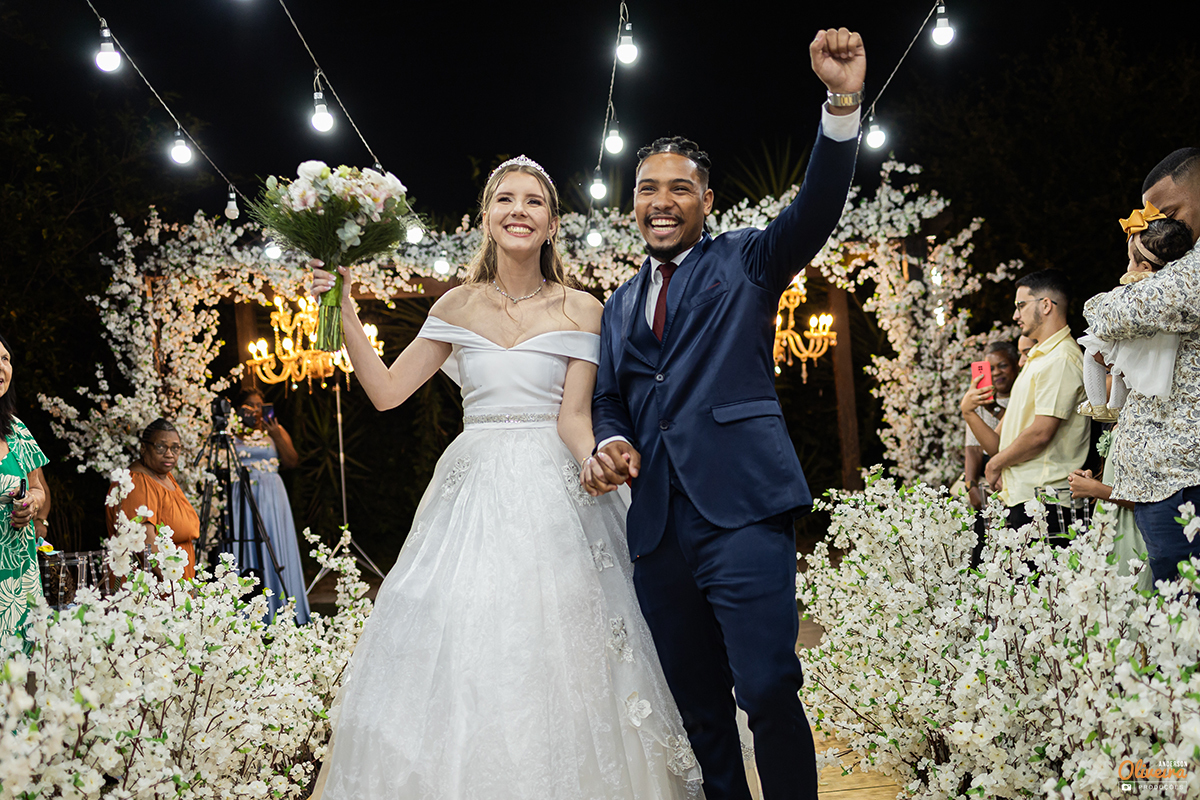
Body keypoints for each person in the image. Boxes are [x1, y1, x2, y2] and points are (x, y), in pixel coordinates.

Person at [307, 156, 702, 799]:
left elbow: (575, 417)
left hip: (558, 492)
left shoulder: (583, 308)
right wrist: (344, 308)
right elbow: (385, 392)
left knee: (570, 641)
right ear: (487, 219)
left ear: (552, 224)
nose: (519, 211)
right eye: (505, 200)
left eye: (534, 201)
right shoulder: (457, 305)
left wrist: (595, 462)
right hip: (474, 492)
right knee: (470, 637)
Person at [585, 28, 866, 800]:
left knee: (768, 686)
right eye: (648, 188)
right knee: (700, 714)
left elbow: (815, 209)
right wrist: (612, 437)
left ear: (707, 201)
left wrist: (841, 103)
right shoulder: (616, 305)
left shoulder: (747, 259)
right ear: (633, 203)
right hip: (658, 528)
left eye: (679, 188)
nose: (661, 201)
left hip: (742, 510)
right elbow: (609, 397)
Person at [1084, 147, 1200, 583]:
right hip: (1166, 479)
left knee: (1184, 603)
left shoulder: (1192, 271)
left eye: (1169, 213)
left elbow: (1116, 313)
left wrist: (1098, 304)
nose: (1164, 227)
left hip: (1181, 479)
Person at [972, 269, 1089, 535]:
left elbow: (1040, 433)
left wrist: (995, 463)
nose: (1015, 315)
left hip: (1047, 501)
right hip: (1027, 496)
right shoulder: (1040, 356)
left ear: (1046, 305)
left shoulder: (1061, 358)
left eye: (1021, 305)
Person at [1077, 207, 1193, 422]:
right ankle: (1117, 406)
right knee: (1121, 369)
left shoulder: (1140, 290)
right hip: (1160, 349)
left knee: (1092, 351)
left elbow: (1098, 311)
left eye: (1130, 259)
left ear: (1145, 267)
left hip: (1133, 338)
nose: (1128, 265)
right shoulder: (1177, 286)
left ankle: (1097, 403)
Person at [228, 388, 309, 625]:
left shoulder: (274, 430)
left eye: (259, 405)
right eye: (249, 405)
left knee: (274, 542)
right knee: (245, 545)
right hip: (242, 495)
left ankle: (283, 606)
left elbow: (292, 461)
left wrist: (276, 435)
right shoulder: (231, 433)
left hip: (272, 495)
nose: (255, 410)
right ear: (239, 409)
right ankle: (247, 611)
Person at [105, 418, 200, 580]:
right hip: (153, 585)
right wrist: (174, 584)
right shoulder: (137, 481)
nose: (169, 454)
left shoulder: (163, 476)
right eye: (160, 447)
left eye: (175, 448)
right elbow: (144, 541)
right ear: (143, 448)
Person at [0, 332, 50, 644]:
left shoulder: (17, 430)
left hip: (20, 578)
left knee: (22, 663)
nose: (1, 367)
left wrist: (32, 502)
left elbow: (38, 488)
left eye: (5, 359)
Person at [960, 340, 1020, 510]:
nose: (996, 372)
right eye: (991, 369)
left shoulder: (1022, 396)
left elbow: (1014, 428)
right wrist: (971, 485)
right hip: (987, 477)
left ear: (1016, 365)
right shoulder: (978, 402)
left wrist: (993, 408)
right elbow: (973, 448)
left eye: (1003, 366)